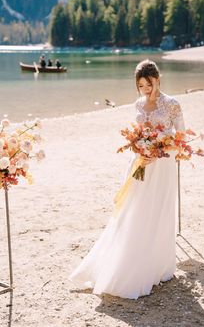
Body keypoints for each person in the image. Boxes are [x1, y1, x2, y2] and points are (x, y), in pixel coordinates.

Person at [69, 59, 185, 299]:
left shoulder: (173, 104)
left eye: (149, 84)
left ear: (158, 80)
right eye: (141, 86)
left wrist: (160, 150)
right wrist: (140, 149)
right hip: (140, 165)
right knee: (134, 211)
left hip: (162, 167)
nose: (146, 90)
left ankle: (158, 265)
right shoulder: (138, 104)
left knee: (159, 211)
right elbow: (137, 135)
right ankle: (127, 262)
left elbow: (181, 138)